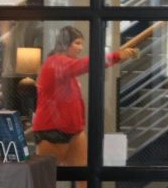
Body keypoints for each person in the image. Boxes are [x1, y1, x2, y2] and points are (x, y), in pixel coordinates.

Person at [33, 26, 138, 173]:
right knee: (46, 178)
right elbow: (86, 64)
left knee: (84, 176)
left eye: (81, 43)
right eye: (77, 43)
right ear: (65, 43)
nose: (80, 48)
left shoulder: (63, 65)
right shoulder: (55, 62)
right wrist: (116, 56)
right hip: (52, 130)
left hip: (74, 129)